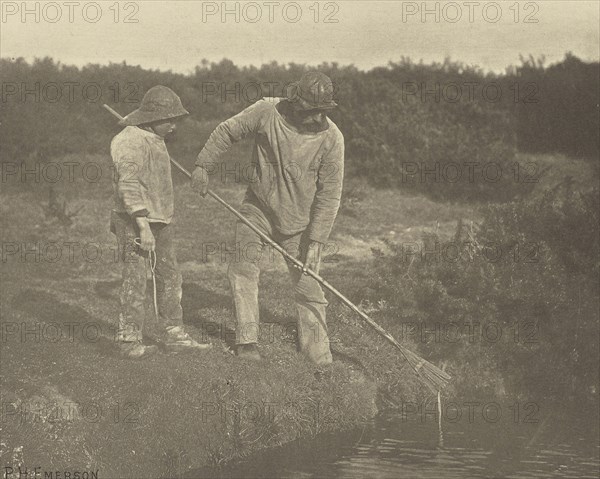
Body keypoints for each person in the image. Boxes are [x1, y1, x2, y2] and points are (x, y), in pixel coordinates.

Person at [192, 72, 344, 365]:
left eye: (321, 112)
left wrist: (316, 241)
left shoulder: (332, 139)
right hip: (258, 209)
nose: (315, 118)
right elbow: (227, 131)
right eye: (310, 111)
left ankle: (317, 354)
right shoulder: (266, 111)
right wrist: (202, 166)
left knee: (309, 287)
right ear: (295, 102)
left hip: (300, 223)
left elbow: (330, 194)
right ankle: (247, 342)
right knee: (243, 269)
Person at [111, 85, 211, 358]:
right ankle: (129, 341)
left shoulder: (155, 139)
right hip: (134, 220)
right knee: (135, 278)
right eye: (171, 120)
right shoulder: (128, 140)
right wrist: (142, 227)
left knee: (169, 277)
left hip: (161, 220)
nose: (175, 126)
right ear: (153, 119)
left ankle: (173, 334)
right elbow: (128, 185)